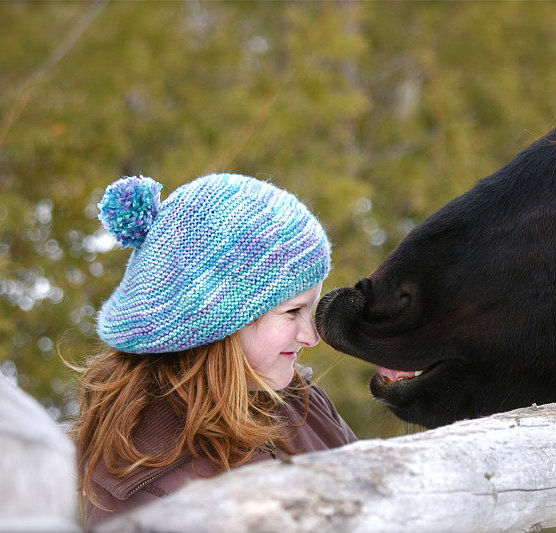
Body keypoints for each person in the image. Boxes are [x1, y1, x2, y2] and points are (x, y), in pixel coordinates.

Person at [70, 173, 357, 528]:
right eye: (293, 311)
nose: (311, 336)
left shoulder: (299, 402)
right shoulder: (149, 495)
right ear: (216, 321)